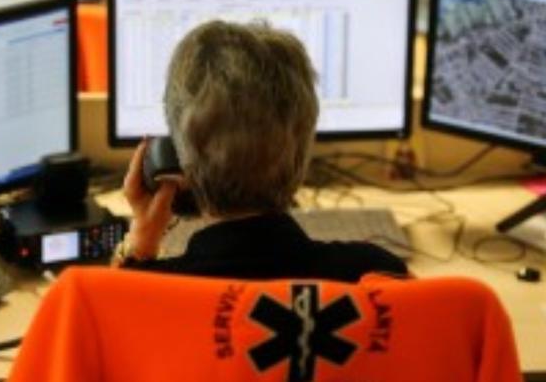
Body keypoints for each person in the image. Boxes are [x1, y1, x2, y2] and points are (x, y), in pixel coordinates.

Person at [112, 20, 408, 281]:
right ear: (301, 152)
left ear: (179, 157)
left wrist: (142, 235)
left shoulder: (138, 293)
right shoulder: (377, 275)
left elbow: (104, 304)